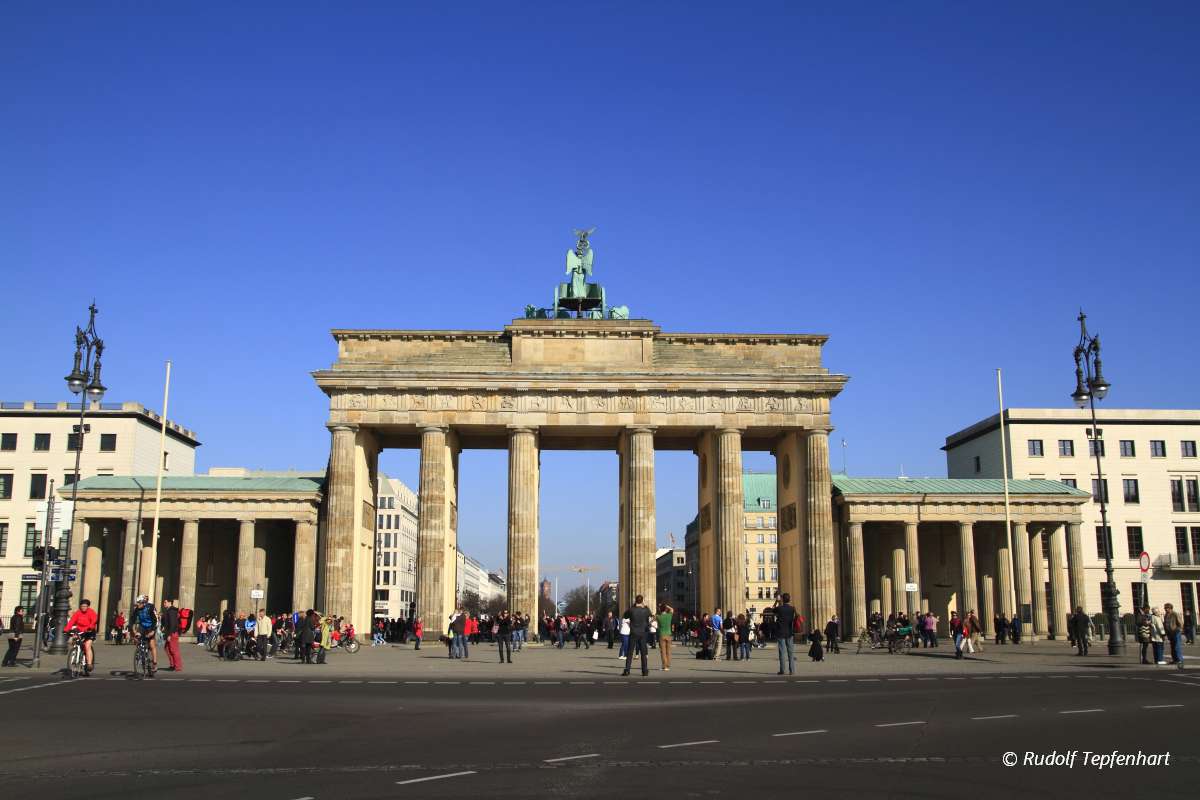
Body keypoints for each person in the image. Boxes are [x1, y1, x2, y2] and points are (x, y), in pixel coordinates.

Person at [64, 598, 99, 674]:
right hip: (80, 630)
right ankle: (76, 653)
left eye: (85, 606)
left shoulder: (91, 612)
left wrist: (90, 627)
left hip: (89, 631)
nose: (83, 607)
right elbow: (72, 621)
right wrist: (66, 629)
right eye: (82, 606)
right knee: (74, 640)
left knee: (87, 646)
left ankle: (89, 664)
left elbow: (94, 620)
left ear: (88, 606)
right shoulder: (78, 613)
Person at [622, 594, 651, 677]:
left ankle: (627, 670)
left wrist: (632, 606)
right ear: (642, 601)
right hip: (642, 633)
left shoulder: (631, 610)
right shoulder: (646, 610)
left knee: (630, 652)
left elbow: (625, 616)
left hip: (633, 632)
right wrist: (645, 606)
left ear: (635, 601)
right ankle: (644, 671)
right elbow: (650, 614)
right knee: (643, 653)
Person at [131, 595, 159, 674]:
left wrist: (153, 631)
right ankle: (140, 652)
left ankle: (154, 663)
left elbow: (155, 620)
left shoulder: (149, 608)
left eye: (139, 603)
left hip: (150, 626)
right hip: (142, 626)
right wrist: (133, 630)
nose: (138, 604)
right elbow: (132, 619)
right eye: (137, 603)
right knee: (136, 638)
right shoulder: (137, 609)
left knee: (152, 645)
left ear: (143, 603)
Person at [775, 594, 796, 675]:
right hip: (789, 632)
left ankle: (782, 670)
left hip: (781, 632)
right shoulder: (792, 609)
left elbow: (773, 610)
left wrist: (777, 601)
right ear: (789, 599)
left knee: (782, 652)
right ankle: (792, 670)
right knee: (790, 652)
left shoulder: (779, 608)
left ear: (782, 599)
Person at [160, 599, 183, 672]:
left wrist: (170, 635)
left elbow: (173, 624)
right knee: (167, 648)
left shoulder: (172, 611)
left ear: (170, 602)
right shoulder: (168, 610)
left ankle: (178, 667)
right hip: (169, 633)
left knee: (174, 650)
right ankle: (172, 665)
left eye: (165, 602)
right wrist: (163, 627)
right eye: (164, 602)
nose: (164, 604)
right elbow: (166, 622)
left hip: (172, 633)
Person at [1163, 603, 1184, 670]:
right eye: (1165, 608)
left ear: (1170, 608)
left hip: (1176, 632)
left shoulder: (1174, 614)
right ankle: (1175, 660)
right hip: (1170, 633)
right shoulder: (1166, 615)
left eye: (1167, 608)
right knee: (1172, 647)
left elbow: (1180, 623)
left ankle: (1180, 660)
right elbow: (1165, 624)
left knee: (1177, 647)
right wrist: (1167, 633)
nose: (1166, 609)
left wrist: (1179, 629)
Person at [657, 604, 674, 671]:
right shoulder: (669, 615)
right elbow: (672, 609)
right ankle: (668, 665)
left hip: (662, 635)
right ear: (666, 609)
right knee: (668, 651)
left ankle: (664, 666)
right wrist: (667, 606)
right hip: (669, 635)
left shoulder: (658, 617)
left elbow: (652, 620)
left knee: (663, 652)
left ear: (660, 609)